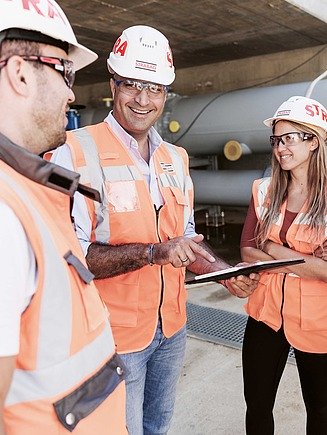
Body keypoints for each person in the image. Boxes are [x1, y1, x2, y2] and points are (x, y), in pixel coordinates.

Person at [50, 25, 259, 435]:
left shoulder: (176, 158)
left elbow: (187, 237)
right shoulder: (74, 152)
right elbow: (71, 258)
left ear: (166, 94)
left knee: (158, 427)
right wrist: (153, 253)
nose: (143, 100)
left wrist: (223, 272)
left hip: (172, 328)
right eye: (132, 85)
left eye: (155, 88)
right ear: (113, 84)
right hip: (114, 338)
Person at [0, 1, 127, 434]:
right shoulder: (3, 212)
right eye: (65, 71)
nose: (73, 94)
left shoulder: (25, 189)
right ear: (20, 73)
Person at [240, 95, 327, 434]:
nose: (280, 148)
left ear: (314, 142)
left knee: (321, 412)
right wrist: (307, 261)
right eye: (276, 140)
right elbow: (248, 252)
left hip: (318, 320)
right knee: (257, 405)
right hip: (265, 314)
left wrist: (271, 246)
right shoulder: (264, 190)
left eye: (289, 138)